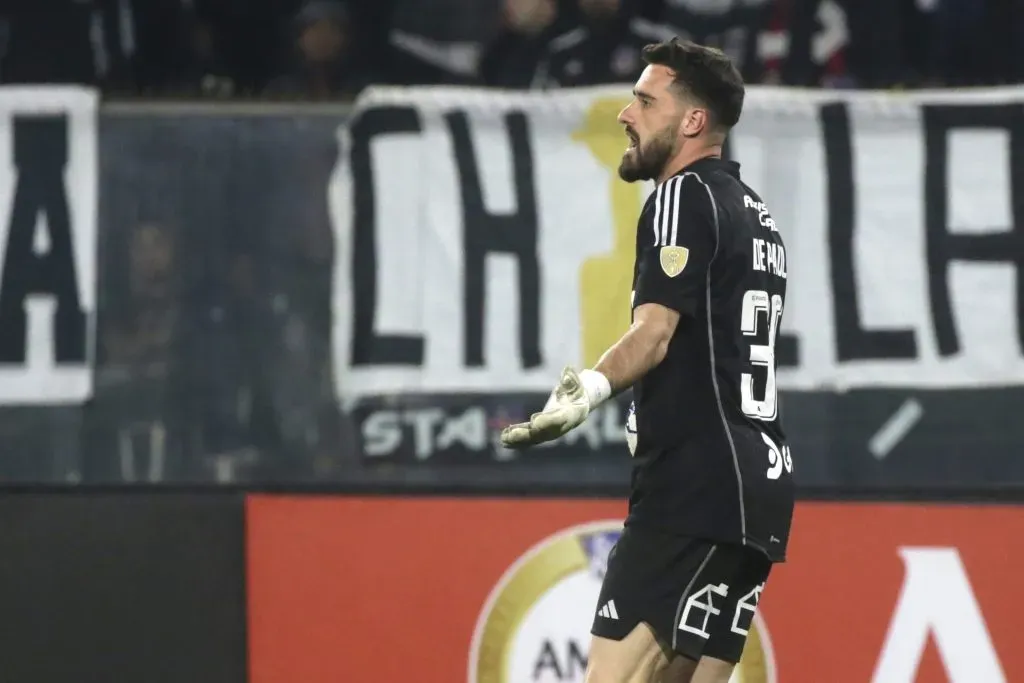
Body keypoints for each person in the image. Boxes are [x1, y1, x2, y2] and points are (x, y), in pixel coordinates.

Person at [501, 38, 794, 683]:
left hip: (692, 490)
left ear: (691, 121)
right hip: (758, 488)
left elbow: (655, 333)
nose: (625, 114)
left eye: (643, 99)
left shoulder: (681, 196)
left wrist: (588, 390)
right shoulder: (758, 216)